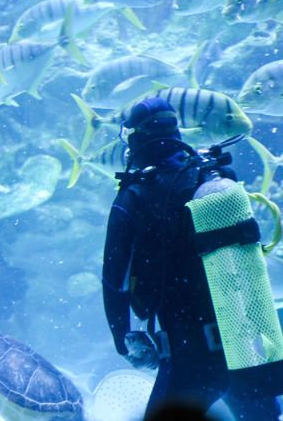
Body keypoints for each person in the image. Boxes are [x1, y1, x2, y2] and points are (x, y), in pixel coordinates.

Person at [101, 97, 281, 420]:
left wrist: (122, 341)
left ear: (134, 139)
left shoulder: (132, 197)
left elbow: (113, 281)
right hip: (244, 345)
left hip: (188, 355)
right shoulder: (210, 178)